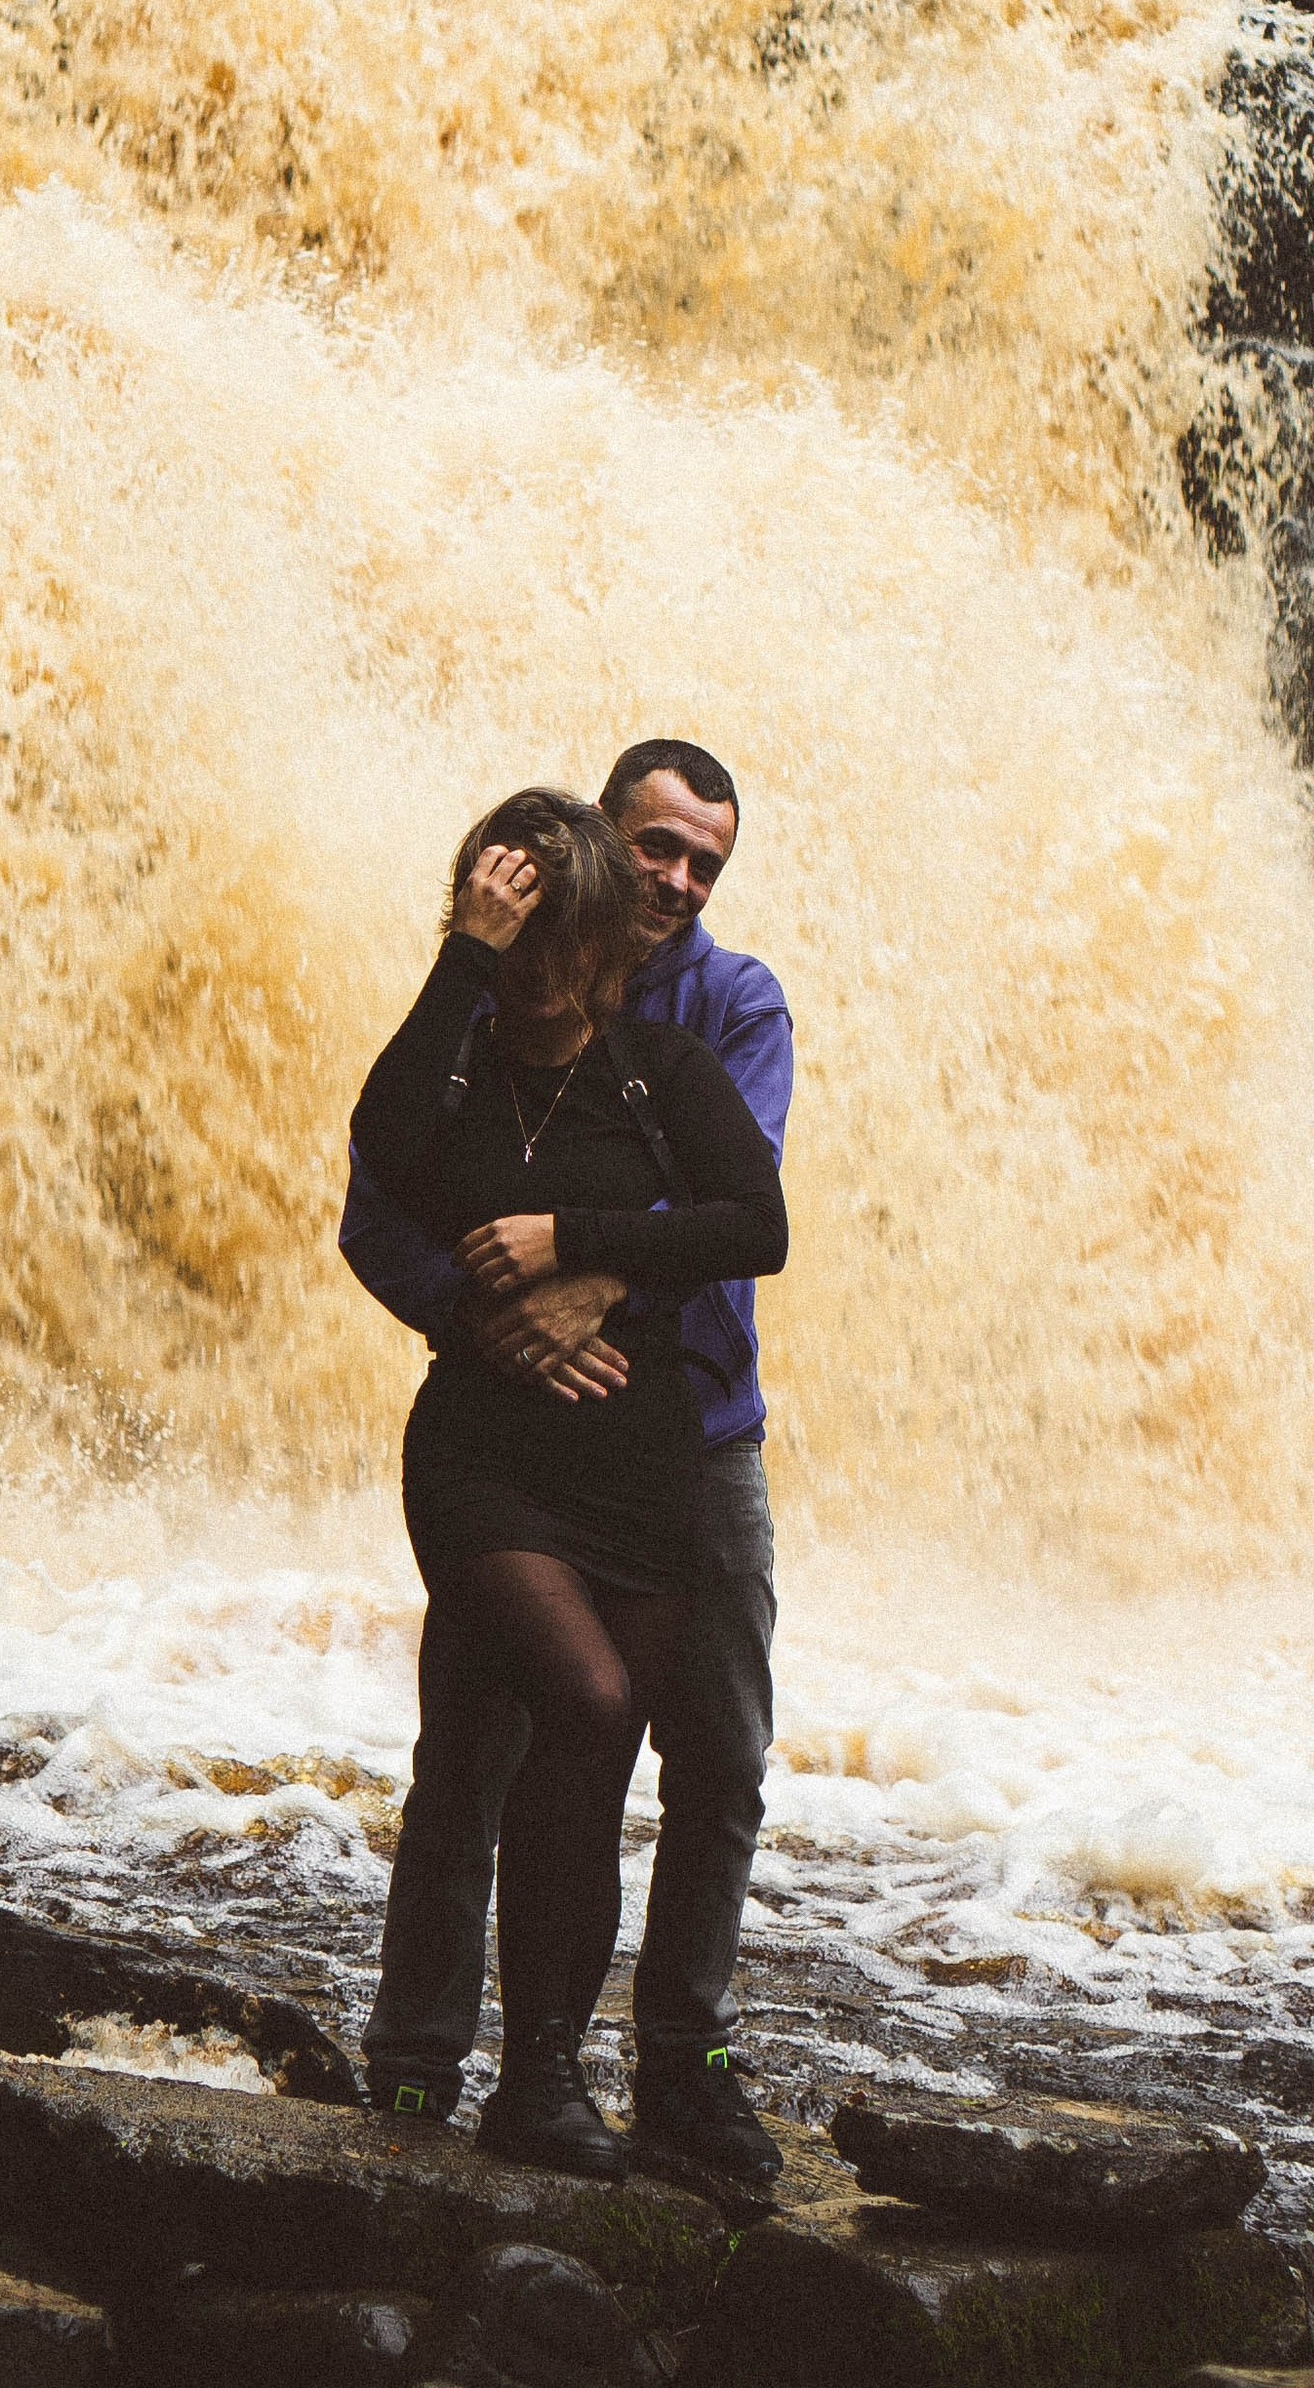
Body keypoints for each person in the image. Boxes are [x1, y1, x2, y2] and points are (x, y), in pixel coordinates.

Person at [342, 742, 793, 2185]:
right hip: (495, 1450)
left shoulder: (709, 1023)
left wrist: (585, 1263)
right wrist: (486, 1320)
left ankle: (637, 2069)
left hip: (675, 1447)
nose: (675, 883)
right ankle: (422, 2066)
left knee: (669, 1760)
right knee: (502, 1738)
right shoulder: (468, 1027)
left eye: (702, 863)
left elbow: (745, 1215)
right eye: (654, 848)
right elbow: (378, 1185)